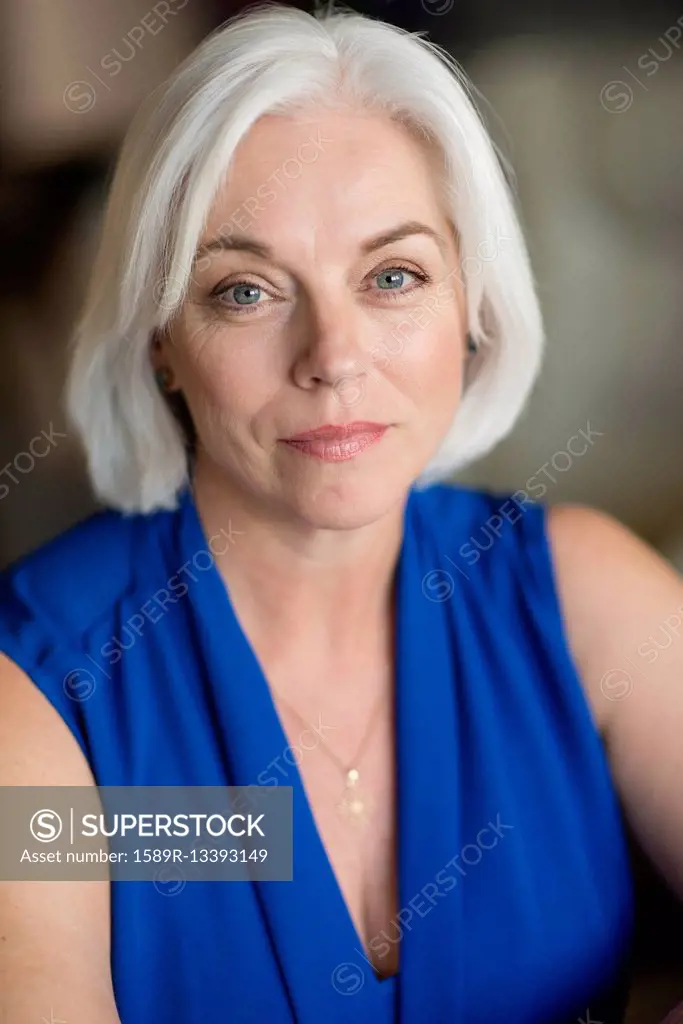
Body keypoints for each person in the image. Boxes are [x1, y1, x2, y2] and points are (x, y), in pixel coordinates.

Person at [1, 3, 682, 1022]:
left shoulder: (582, 594)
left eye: (392, 276)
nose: (333, 355)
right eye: (245, 290)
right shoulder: (40, 696)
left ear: (471, 301)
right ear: (159, 338)